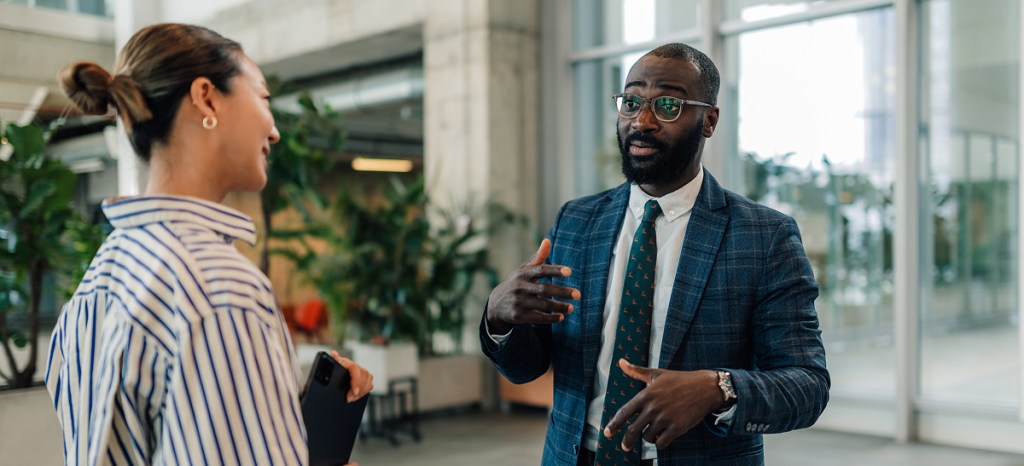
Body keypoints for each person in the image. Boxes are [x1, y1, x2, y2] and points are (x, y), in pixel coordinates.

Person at [481, 43, 829, 466]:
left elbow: (808, 385)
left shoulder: (763, 236)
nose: (642, 121)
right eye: (631, 102)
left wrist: (718, 388)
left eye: (667, 105)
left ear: (709, 120)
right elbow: (528, 367)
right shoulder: (576, 221)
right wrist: (499, 319)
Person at [46, 23, 372, 465]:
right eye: (262, 97)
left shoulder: (104, 271)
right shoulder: (220, 288)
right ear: (206, 98)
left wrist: (279, 400)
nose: (274, 131)